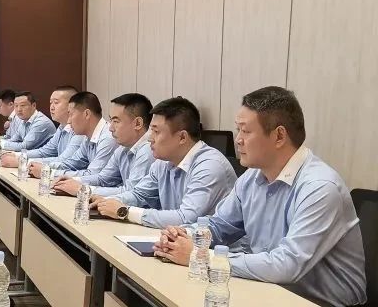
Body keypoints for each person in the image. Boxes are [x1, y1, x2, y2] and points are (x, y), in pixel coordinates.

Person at [154, 87, 366, 307]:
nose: (238, 140)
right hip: (268, 290)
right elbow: (219, 226)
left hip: (315, 302)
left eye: (245, 131)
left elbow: (287, 265)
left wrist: (203, 257)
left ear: (279, 136)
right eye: (238, 130)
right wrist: (184, 236)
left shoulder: (320, 187)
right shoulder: (252, 177)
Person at [93, 97, 236, 229]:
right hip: (174, 240)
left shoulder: (209, 166)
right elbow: (139, 195)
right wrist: (107, 202)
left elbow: (185, 218)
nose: (150, 138)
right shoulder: (163, 162)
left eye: (156, 132)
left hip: (214, 247)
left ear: (182, 137)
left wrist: (125, 212)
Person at [53, 93, 154, 197]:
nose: (111, 128)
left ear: (137, 123)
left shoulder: (148, 150)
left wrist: (82, 189)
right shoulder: (123, 147)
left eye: (116, 121)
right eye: (111, 120)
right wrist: (74, 181)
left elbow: (131, 192)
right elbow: (104, 178)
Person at [43, 91, 116, 178]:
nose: (69, 121)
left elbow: (92, 174)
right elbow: (72, 163)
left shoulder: (107, 138)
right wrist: (45, 168)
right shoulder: (88, 137)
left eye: (71, 115)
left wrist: (50, 173)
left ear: (86, 114)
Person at [16, 86, 83, 171]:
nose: (52, 107)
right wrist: (18, 156)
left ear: (71, 105)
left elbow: (64, 160)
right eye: (51, 103)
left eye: (56, 102)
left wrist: (23, 161)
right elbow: (46, 151)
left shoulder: (80, 130)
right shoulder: (62, 126)